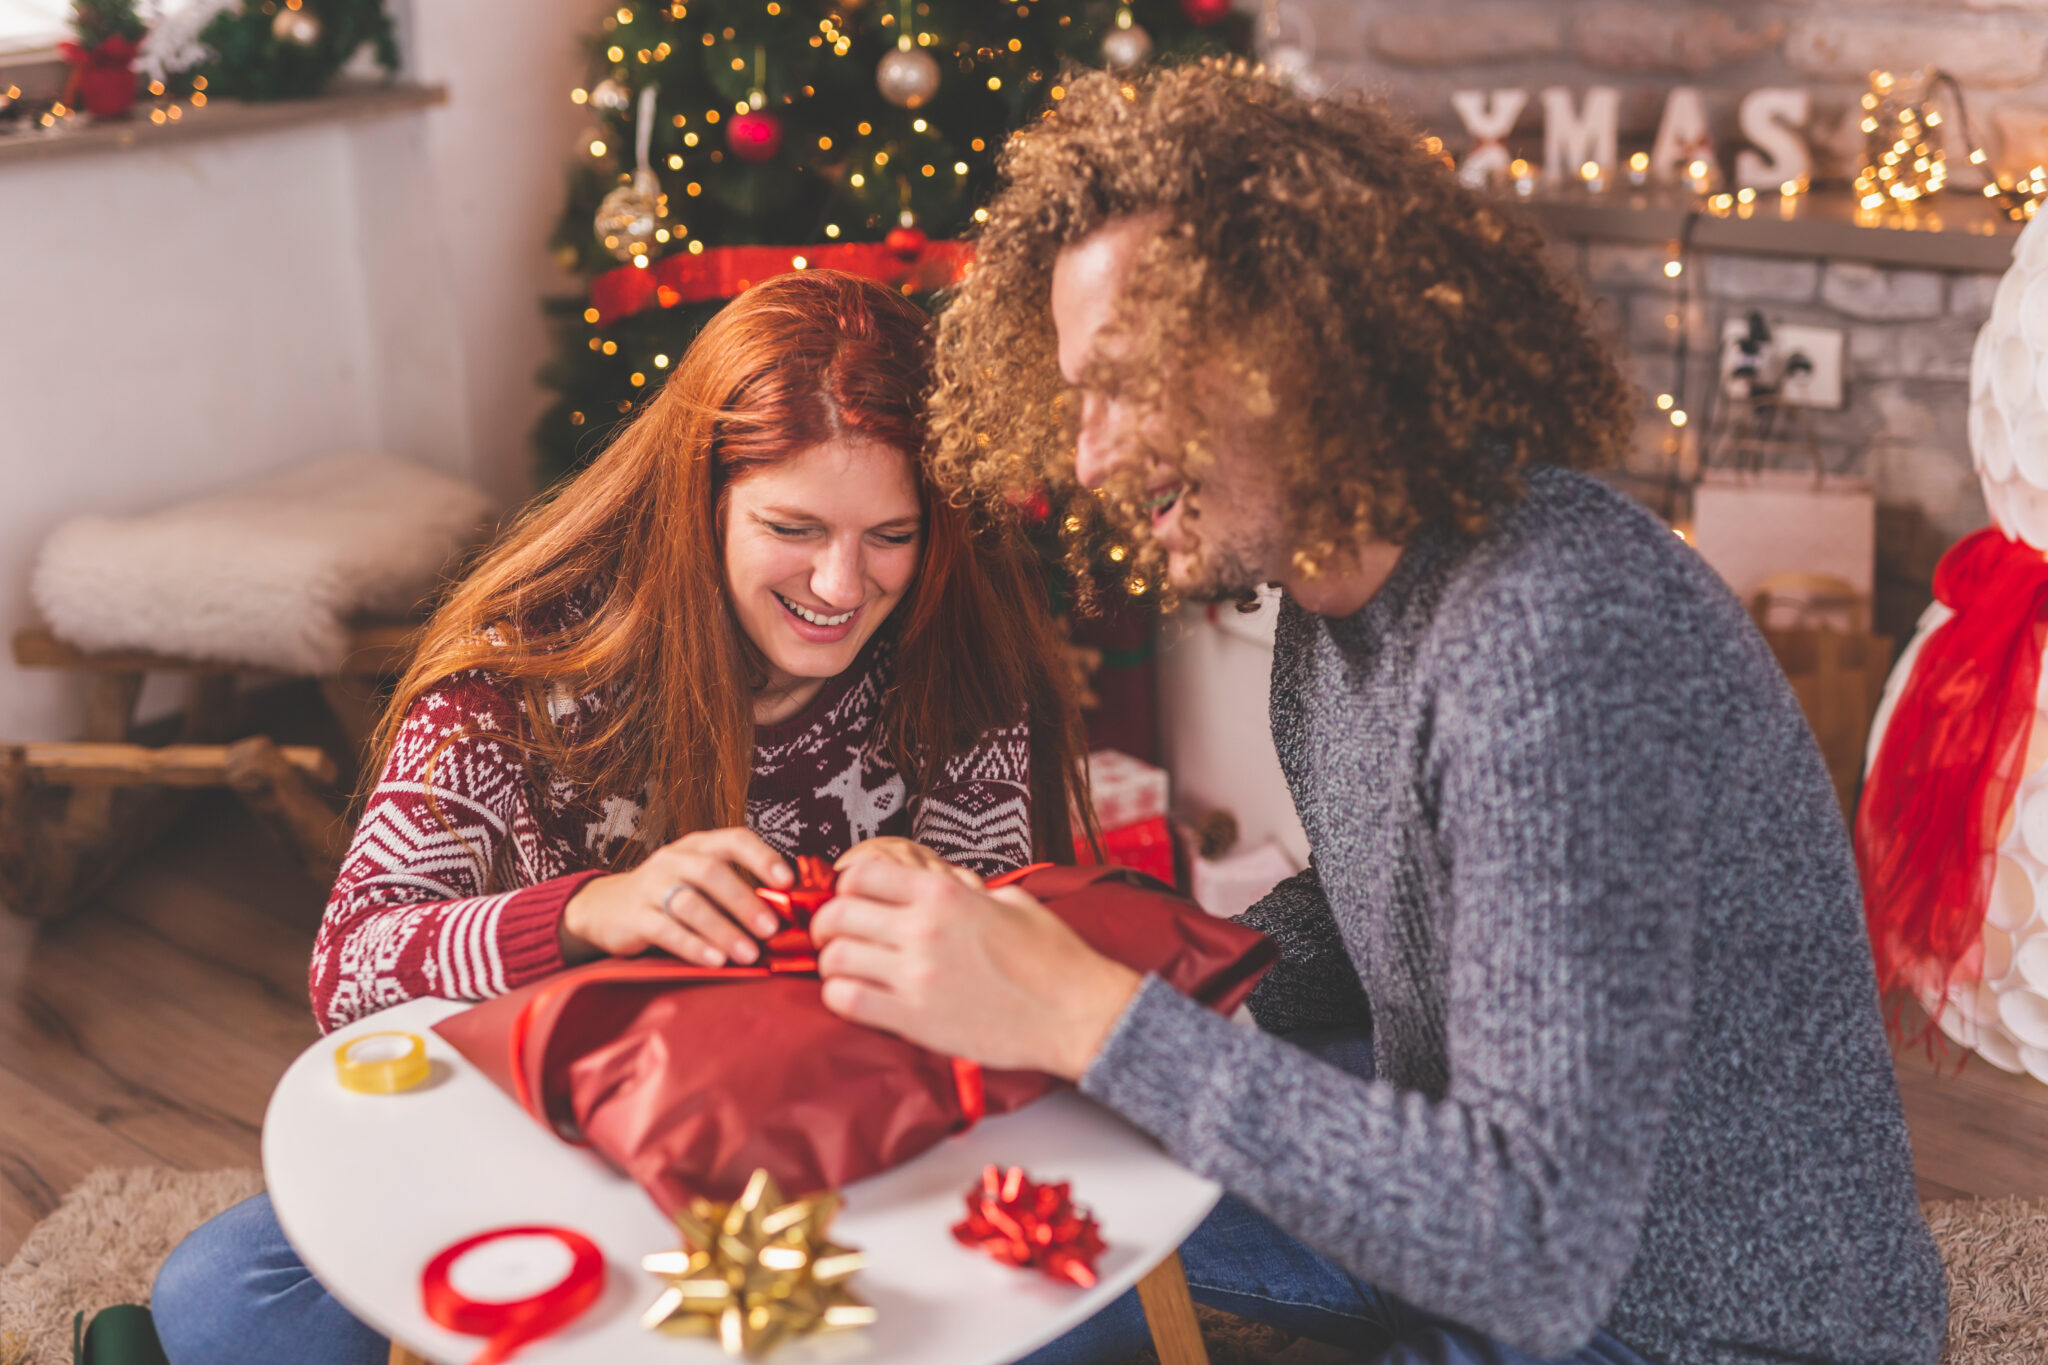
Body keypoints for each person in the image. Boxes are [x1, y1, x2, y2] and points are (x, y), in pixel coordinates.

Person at [807, 63, 1949, 1365]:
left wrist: (1095, 1019)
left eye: (1129, 380)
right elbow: (1377, 917)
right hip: (1488, 1230)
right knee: (1012, 1224)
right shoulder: (1335, 588)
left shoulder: (1549, 638)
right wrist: (1149, 969)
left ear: (1302, 350)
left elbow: (1531, 1249)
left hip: (1692, 1328)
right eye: (1078, 395)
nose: (1090, 454)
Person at [150, 269, 1094, 1365]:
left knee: (1066, 1304)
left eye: (891, 533)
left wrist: (940, 910)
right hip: (560, 1134)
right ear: (698, 502)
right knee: (220, 1303)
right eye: (792, 527)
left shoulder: (956, 659)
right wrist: (590, 911)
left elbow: (1016, 965)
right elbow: (351, 971)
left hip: (847, 1139)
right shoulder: (525, 669)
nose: (844, 583)